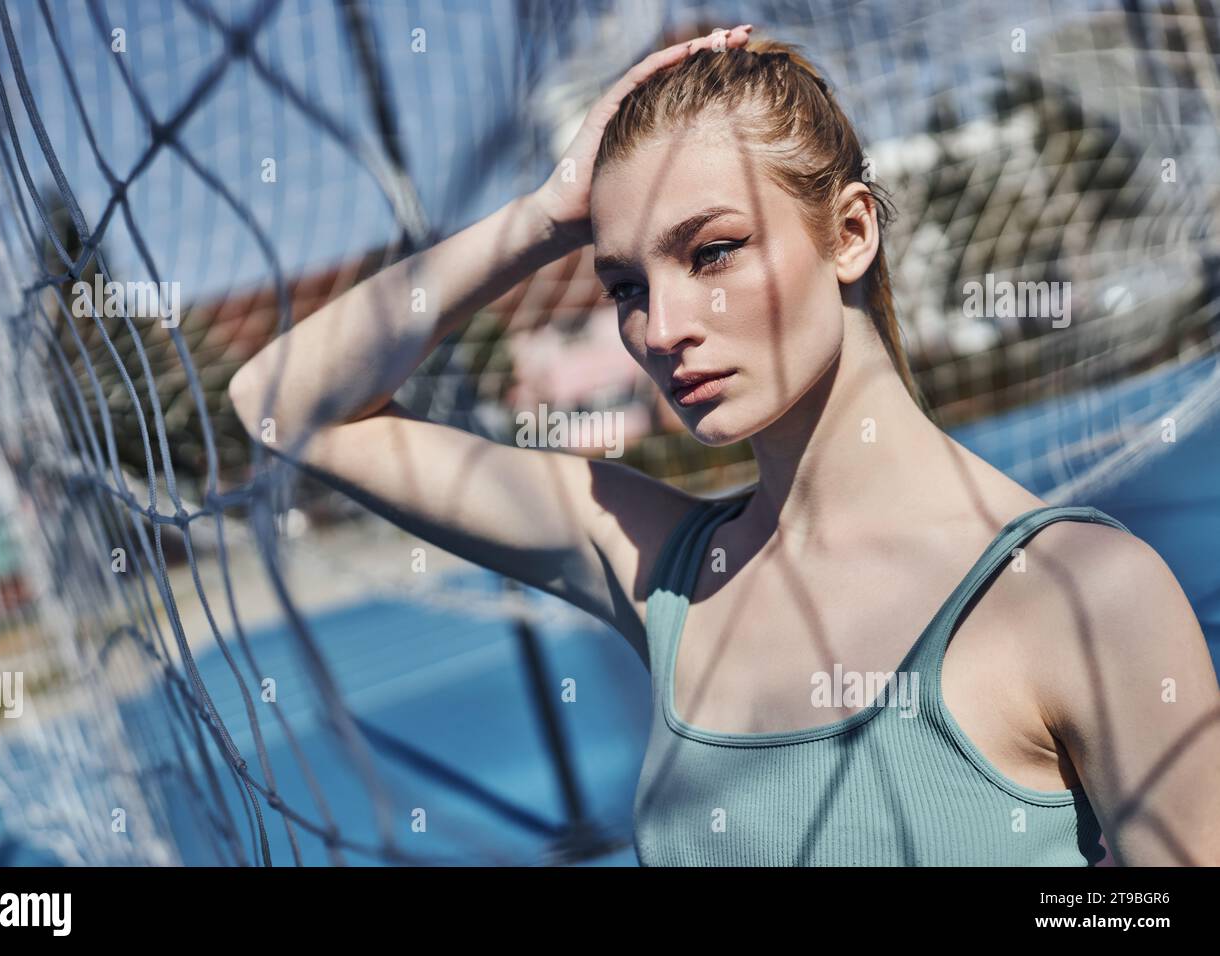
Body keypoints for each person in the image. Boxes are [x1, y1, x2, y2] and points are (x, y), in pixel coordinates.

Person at [228, 26, 1220, 865]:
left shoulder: (1083, 591)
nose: (661, 326)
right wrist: (542, 218)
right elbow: (281, 403)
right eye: (625, 284)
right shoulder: (653, 562)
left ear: (850, 233)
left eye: (711, 252)